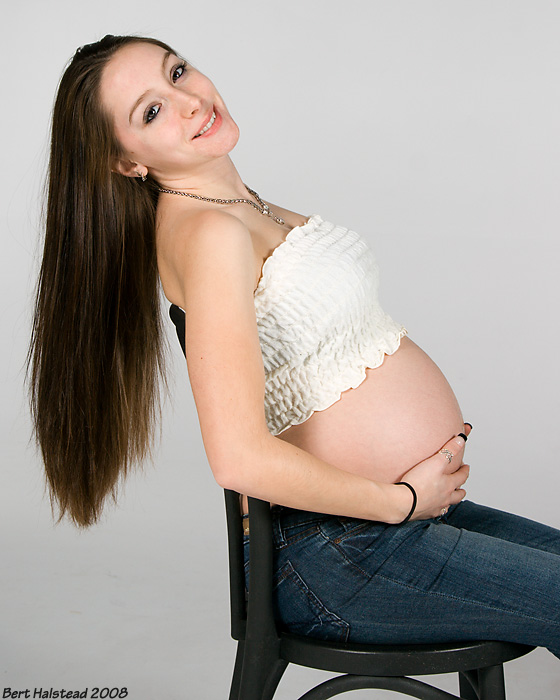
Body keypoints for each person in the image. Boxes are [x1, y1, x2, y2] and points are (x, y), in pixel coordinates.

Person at [28, 34, 560, 658]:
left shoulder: (238, 206)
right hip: (341, 555)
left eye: (177, 72)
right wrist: (401, 500)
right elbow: (238, 459)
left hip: (382, 531)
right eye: (151, 111)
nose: (190, 101)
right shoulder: (208, 233)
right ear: (126, 162)